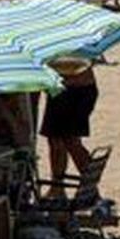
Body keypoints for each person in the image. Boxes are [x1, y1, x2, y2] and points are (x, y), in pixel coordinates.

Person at [40, 61, 99, 201]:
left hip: (75, 88)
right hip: (61, 87)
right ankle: (57, 187)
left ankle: (90, 188)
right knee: (55, 140)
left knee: (70, 141)